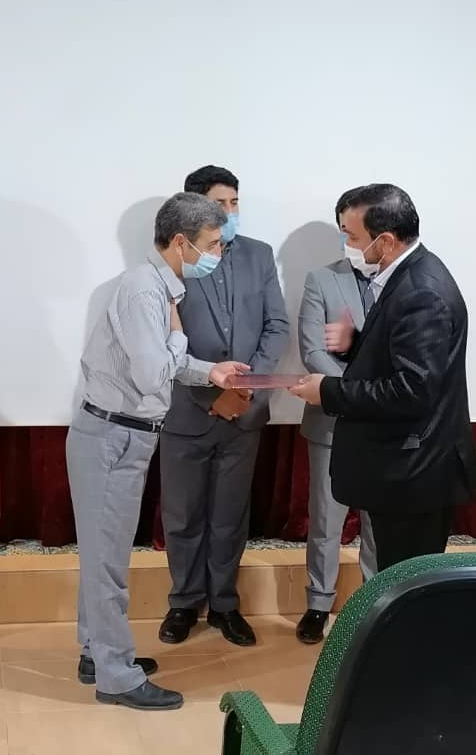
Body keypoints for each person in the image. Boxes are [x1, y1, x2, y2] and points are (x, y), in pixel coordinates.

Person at [67, 192, 250, 711]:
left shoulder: (156, 286)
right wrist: (180, 336)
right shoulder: (145, 291)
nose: (218, 253)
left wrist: (210, 372)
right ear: (181, 242)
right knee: (107, 564)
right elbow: (153, 372)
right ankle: (116, 676)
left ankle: (96, 652)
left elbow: (158, 363)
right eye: (212, 244)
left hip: (120, 434)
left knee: (102, 556)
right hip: (113, 437)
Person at [289, 183, 476, 572]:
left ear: (386, 241)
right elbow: (399, 354)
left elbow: (411, 390)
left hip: (415, 471)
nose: (347, 245)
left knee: (404, 582)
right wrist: (356, 345)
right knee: (395, 577)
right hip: (404, 467)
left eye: (352, 236)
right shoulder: (408, 273)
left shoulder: (421, 292)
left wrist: (328, 390)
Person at [157, 165, 289, 648]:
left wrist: (247, 386)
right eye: (220, 204)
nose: (230, 213)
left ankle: (225, 605)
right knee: (183, 514)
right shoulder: (178, 259)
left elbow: (276, 325)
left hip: (245, 412)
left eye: (235, 203)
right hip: (187, 410)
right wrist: (214, 393)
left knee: (230, 513)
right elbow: (166, 338)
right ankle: (184, 602)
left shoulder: (259, 254)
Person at [295, 187, 378, 645]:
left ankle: (374, 603)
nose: (349, 241)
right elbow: (313, 352)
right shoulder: (321, 280)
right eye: (344, 232)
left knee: (378, 522)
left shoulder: (400, 282)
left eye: (355, 232)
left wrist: (367, 395)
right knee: (326, 520)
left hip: (383, 423)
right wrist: (354, 394)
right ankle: (318, 603)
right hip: (332, 421)